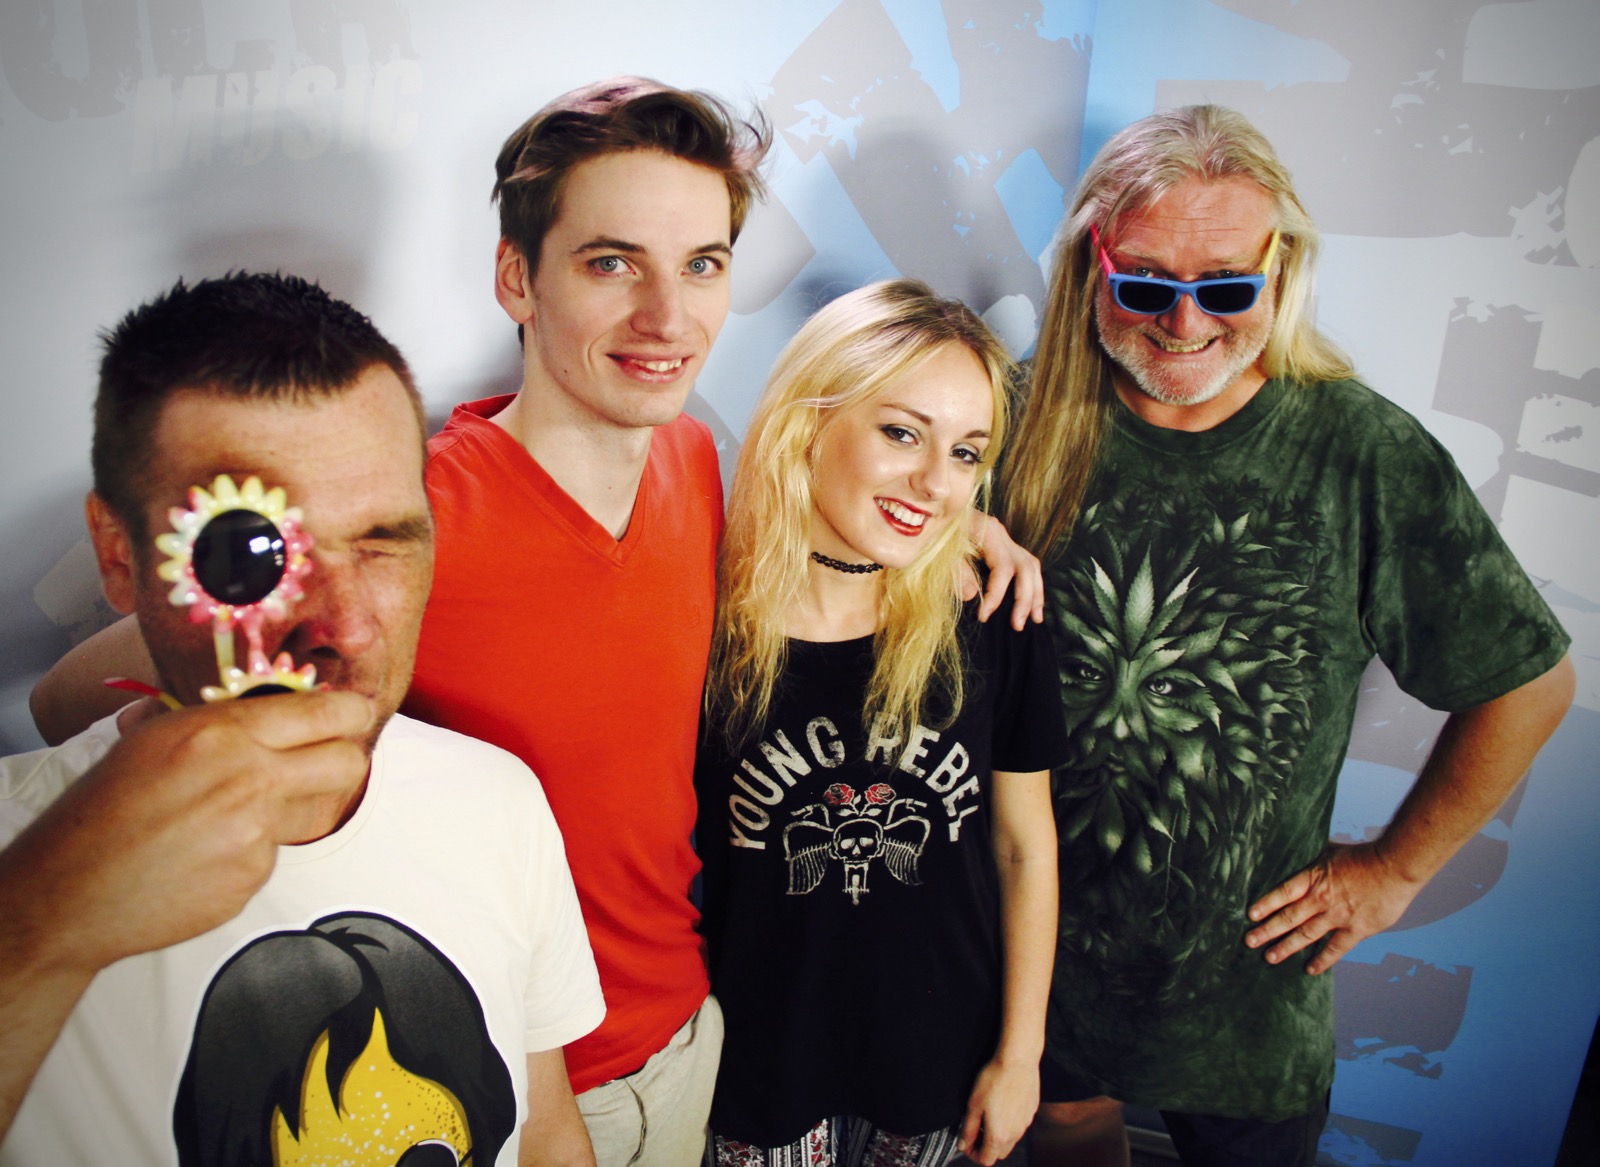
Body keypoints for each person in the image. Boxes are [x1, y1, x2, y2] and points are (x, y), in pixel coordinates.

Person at [26, 78, 1042, 1165]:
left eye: (701, 265)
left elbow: (822, 526)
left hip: (693, 1044)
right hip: (517, 1070)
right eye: (612, 264)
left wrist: (955, 526)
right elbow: (64, 700)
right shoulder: (416, 519)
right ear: (519, 277)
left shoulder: (692, 463)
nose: (668, 318)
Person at [1000, 105, 1575, 1167]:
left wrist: (1394, 871)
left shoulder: (1361, 452)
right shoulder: (1007, 422)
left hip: (1247, 1001)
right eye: (1145, 285)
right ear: (1091, 265)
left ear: (1282, 270)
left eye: (1226, 288)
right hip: (1031, 965)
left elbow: (1528, 683)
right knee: (1068, 1126)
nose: (1184, 323)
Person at [0, 272, 604, 1166]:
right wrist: (40, 921)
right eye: (253, 552)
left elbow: (545, 1128)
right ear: (120, 556)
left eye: (383, 541)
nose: (348, 627)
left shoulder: (498, 801)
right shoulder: (19, 849)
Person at [696, 279, 1064, 1167]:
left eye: (967, 452)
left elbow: (1025, 848)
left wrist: (1021, 1055)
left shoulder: (993, 614)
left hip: (940, 1067)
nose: (937, 483)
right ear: (809, 422)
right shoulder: (702, 621)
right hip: (757, 1070)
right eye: (902, 432)